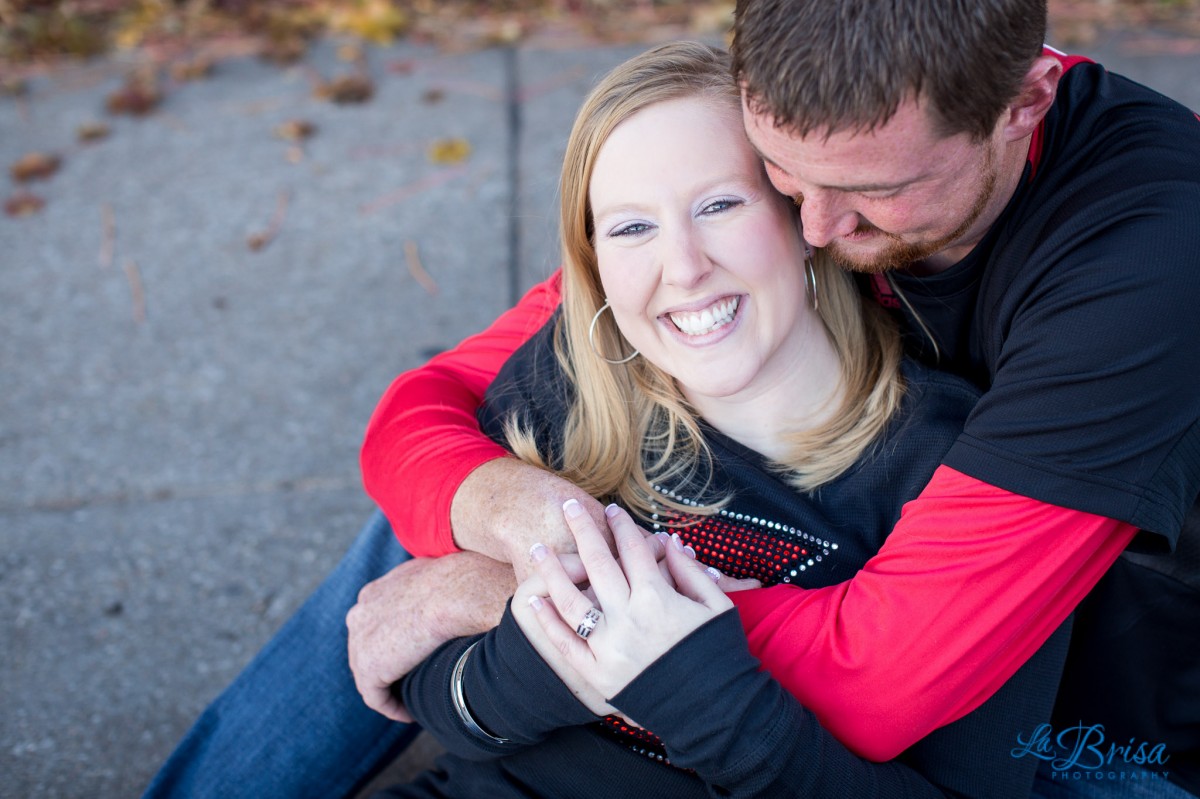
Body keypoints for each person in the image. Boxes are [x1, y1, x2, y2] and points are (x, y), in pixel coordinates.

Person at [143, 0, 1200, 796]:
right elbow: (426, 411)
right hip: (769, 558)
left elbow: (878, 683)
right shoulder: (785, 171)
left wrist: (517, 599)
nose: (819, 231)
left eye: (874, 193)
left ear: (1028, 102)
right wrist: (530, 529)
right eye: (781, 176)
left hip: (1111, 682)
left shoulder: (1144, 264)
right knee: (489, 481)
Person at [373, 40, 1070, 798]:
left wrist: (669, 682)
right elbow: (438, 699)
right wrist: (566, 656)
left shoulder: (954, 470)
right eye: (632, 228)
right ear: (593, 263)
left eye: (719, 206)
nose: (683, 267)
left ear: (804, 218)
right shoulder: (569, 385)